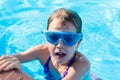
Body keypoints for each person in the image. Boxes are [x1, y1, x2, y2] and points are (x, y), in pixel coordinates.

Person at [0, 8, 92, 80]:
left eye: (69, 38)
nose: (60, 45)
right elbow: (10, 59)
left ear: (78, 43)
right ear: (46, 38)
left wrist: (21, 72)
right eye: (53, 37)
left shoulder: (82, 64)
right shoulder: (41, 52)